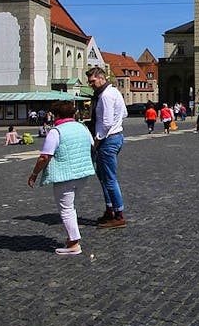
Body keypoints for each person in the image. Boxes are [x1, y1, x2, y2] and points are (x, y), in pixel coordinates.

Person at [27, 100, 95, 255]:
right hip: (82, 173)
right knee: (71, 206)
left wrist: (34, 174)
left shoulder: (56, 131)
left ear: (56, 115)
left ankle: (74, 243)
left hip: (65, 175)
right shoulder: (82, 127)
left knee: (66, 209)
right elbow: (92, 145)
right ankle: (72, 239)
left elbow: (45, 156)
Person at [86, 66, 128, 228]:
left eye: (93, 81)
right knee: (104, 177)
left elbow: (107, 123)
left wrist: (97, 140)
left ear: (101, 78)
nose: (91, 85)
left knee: (109, 179)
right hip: (115, 137)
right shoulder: (114, 92)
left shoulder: (105, 96)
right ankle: (110, 209)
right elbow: (124, 113)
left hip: (107, 140)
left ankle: (119, 215)